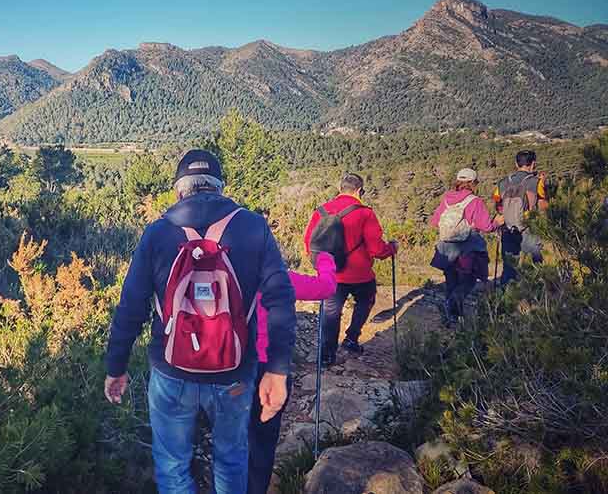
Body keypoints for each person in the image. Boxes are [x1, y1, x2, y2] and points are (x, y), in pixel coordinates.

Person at [104, 149, 297, 494]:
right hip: (234, 374)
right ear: (220, 188)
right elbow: (280, 299)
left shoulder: (158, 233)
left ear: (180, 189)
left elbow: (131, 306)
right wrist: (277, 370)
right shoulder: (253, 227)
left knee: (173, 464)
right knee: (232, 458)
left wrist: (116, 366)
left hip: (172, 371)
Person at [248, 252, 337, 494]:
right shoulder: (282, 279)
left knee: (229, 439)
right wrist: (325, 259)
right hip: (272, 368)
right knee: (263, 442)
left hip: (234, 367)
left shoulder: (229, 279)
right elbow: (326, 287)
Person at [303, 173, 397, 366]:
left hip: (331, 274)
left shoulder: (321, 211)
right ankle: (352, 338)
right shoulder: (365, 213)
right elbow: (376, 249)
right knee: (366, 299)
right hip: (360, 274)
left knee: (331, 313)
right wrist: (392, 249)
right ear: (359, 191)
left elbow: (309, 243)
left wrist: (323, 265)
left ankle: (327, 355)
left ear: (340, 189)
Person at [429, 168, 503, 327]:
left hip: (446, 248)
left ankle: (452, 318)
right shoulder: (475, 201)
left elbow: (434, 222)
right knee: (468, 281)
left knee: (451, 282)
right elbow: (487, 226)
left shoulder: (447, 199)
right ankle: (453, 307)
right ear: (472, 183)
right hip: (467, 249)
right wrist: (498, 221)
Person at [493, 150, 548, 284]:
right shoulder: (536, 182)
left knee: (509, 267)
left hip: (508, 229)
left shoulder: (502, 183)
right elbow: (543, 206)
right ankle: (537, 296)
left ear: (516, 163)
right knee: (536, 264)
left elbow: (497, 205)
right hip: (529, 228)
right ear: (533, 164)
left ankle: (506, 297)